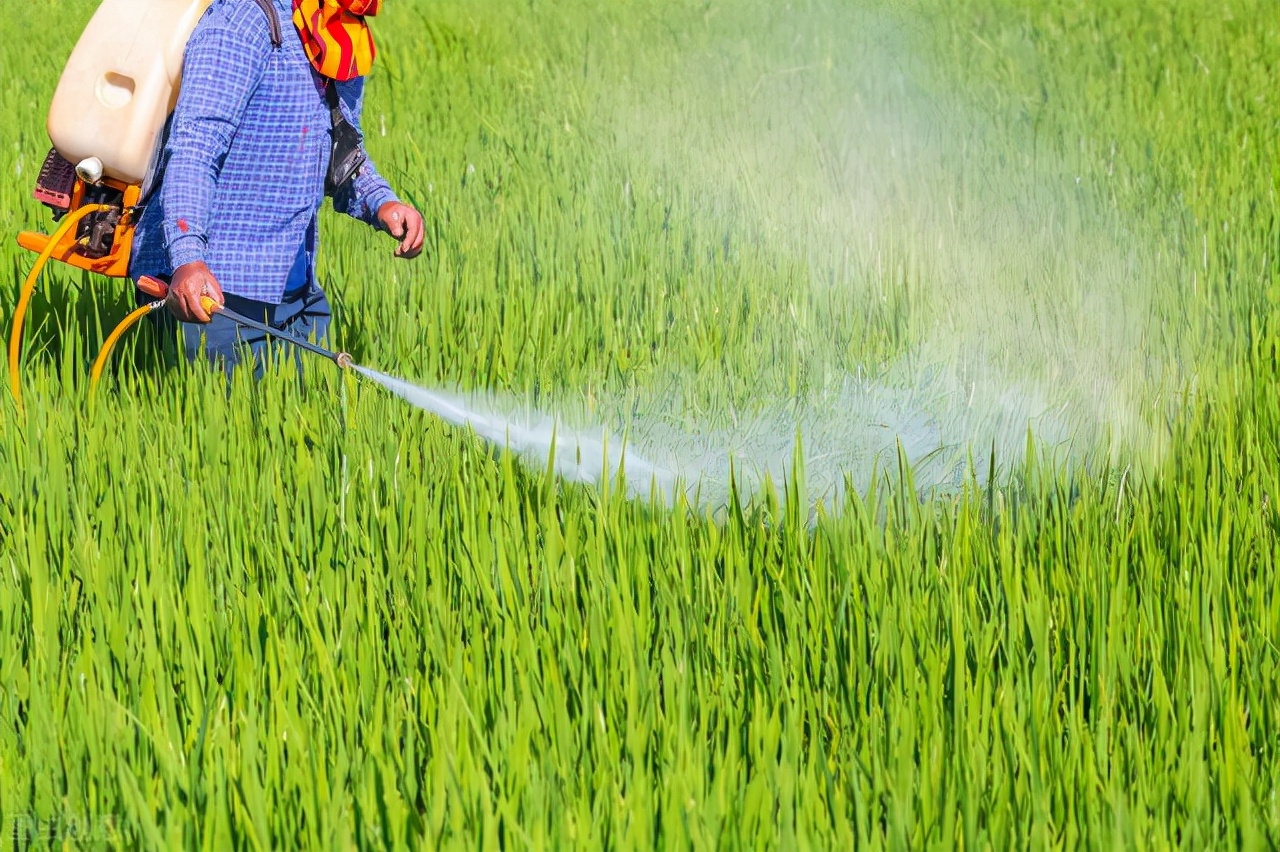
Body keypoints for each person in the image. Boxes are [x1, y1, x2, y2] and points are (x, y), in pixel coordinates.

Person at [129, 0, 424, 375]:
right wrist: (188, 259)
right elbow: (194, 149)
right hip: (216, 294)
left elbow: (341, 148)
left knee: (299, 423)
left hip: (297, 292)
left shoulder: (340, 30)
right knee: (218, 428)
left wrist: (383, 203)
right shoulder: (244, 20)